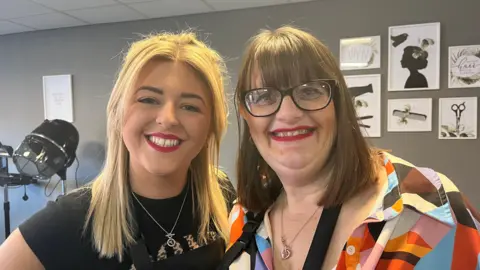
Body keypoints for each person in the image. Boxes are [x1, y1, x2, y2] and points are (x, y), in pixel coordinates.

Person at [221, 26, 480, 270]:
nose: (288, 113)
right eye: (264, 96)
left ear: (339, 106)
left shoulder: (428, 209)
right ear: (246, 114)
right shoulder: (244, 216)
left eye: (310, 91)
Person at [0, 31, 236, 270]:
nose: (168, 119)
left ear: (211, 124)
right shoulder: (72, 219)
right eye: (149, 100)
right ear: (118, 111)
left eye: (190, 106)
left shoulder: (221, 192)